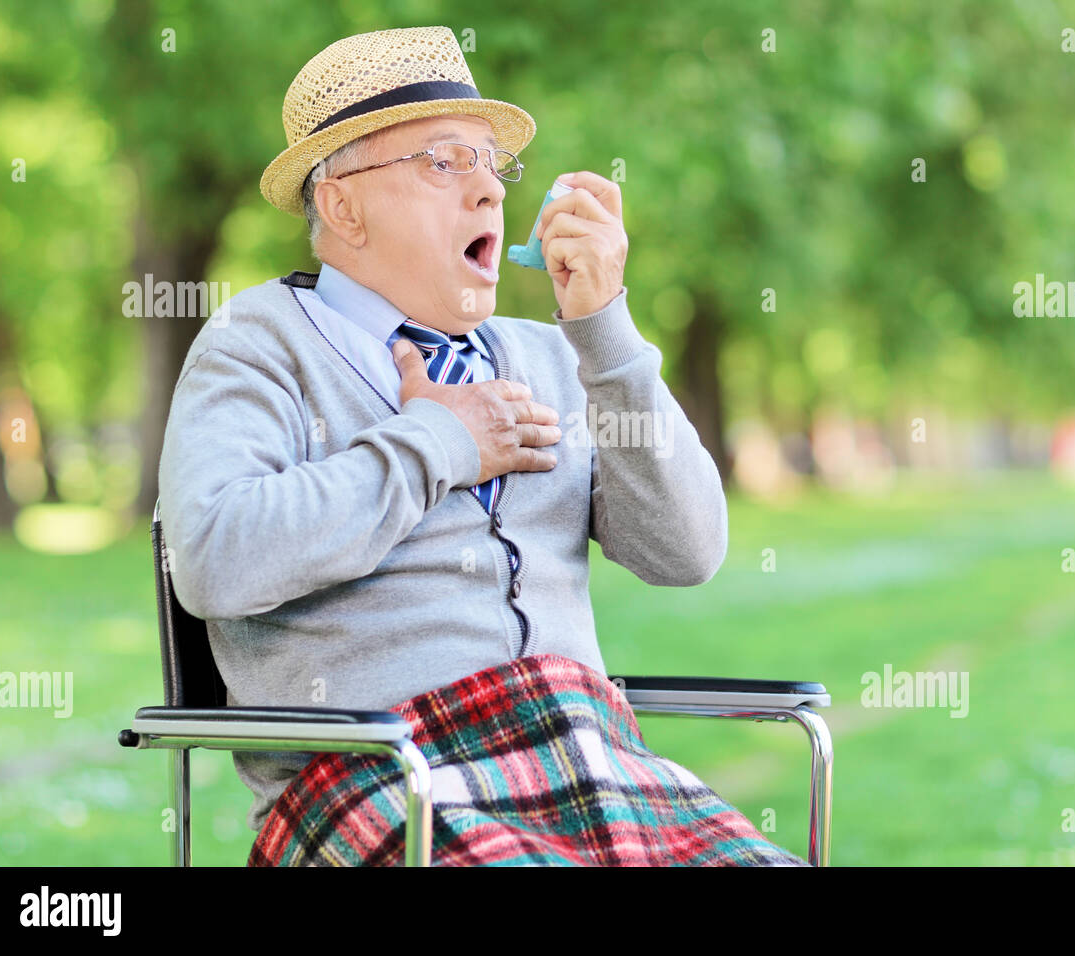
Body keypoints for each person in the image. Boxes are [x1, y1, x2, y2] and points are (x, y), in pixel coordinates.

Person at [159, 25, 804, 866]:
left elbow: (687, 550)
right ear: (343, 203)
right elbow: (212, 556)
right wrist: (440, 442)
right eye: (443, 162)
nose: (490, 193)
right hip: (379, 776)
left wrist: (604, 333)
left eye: (492, 167)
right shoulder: (257, 343)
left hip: (593, 759)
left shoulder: (549, 354)